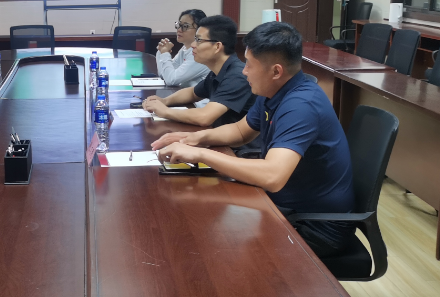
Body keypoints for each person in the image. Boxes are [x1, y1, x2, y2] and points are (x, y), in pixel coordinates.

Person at [152, 22, 356, 258]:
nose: (244, 71)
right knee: (202, 216)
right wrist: (194, 138)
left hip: (314, 226)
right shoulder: (273, 90)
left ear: (276, 71)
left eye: (249, 64)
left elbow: (272, 176)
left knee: (209, 246)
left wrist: (201, 154)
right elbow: (240, 131)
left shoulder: (301, 106)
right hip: (283, 206)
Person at [142, 15, 256, 129]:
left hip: (235, 140)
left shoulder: (236, 76)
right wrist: (165, 101)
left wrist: (165, 111)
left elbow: (204, 117)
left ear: (217, 46)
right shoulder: (218, 71)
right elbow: (192, 93)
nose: (193, 45)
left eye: (199, 40)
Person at [155, 9, 210, 88]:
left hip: (202, 96)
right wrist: (161, 51)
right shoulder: (185, 48)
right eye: (179, 25)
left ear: (199, 30)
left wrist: (165, 53)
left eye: (185, 26)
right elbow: (164, 74)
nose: (179, 30)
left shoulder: (201, 53)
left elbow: (171, 80)